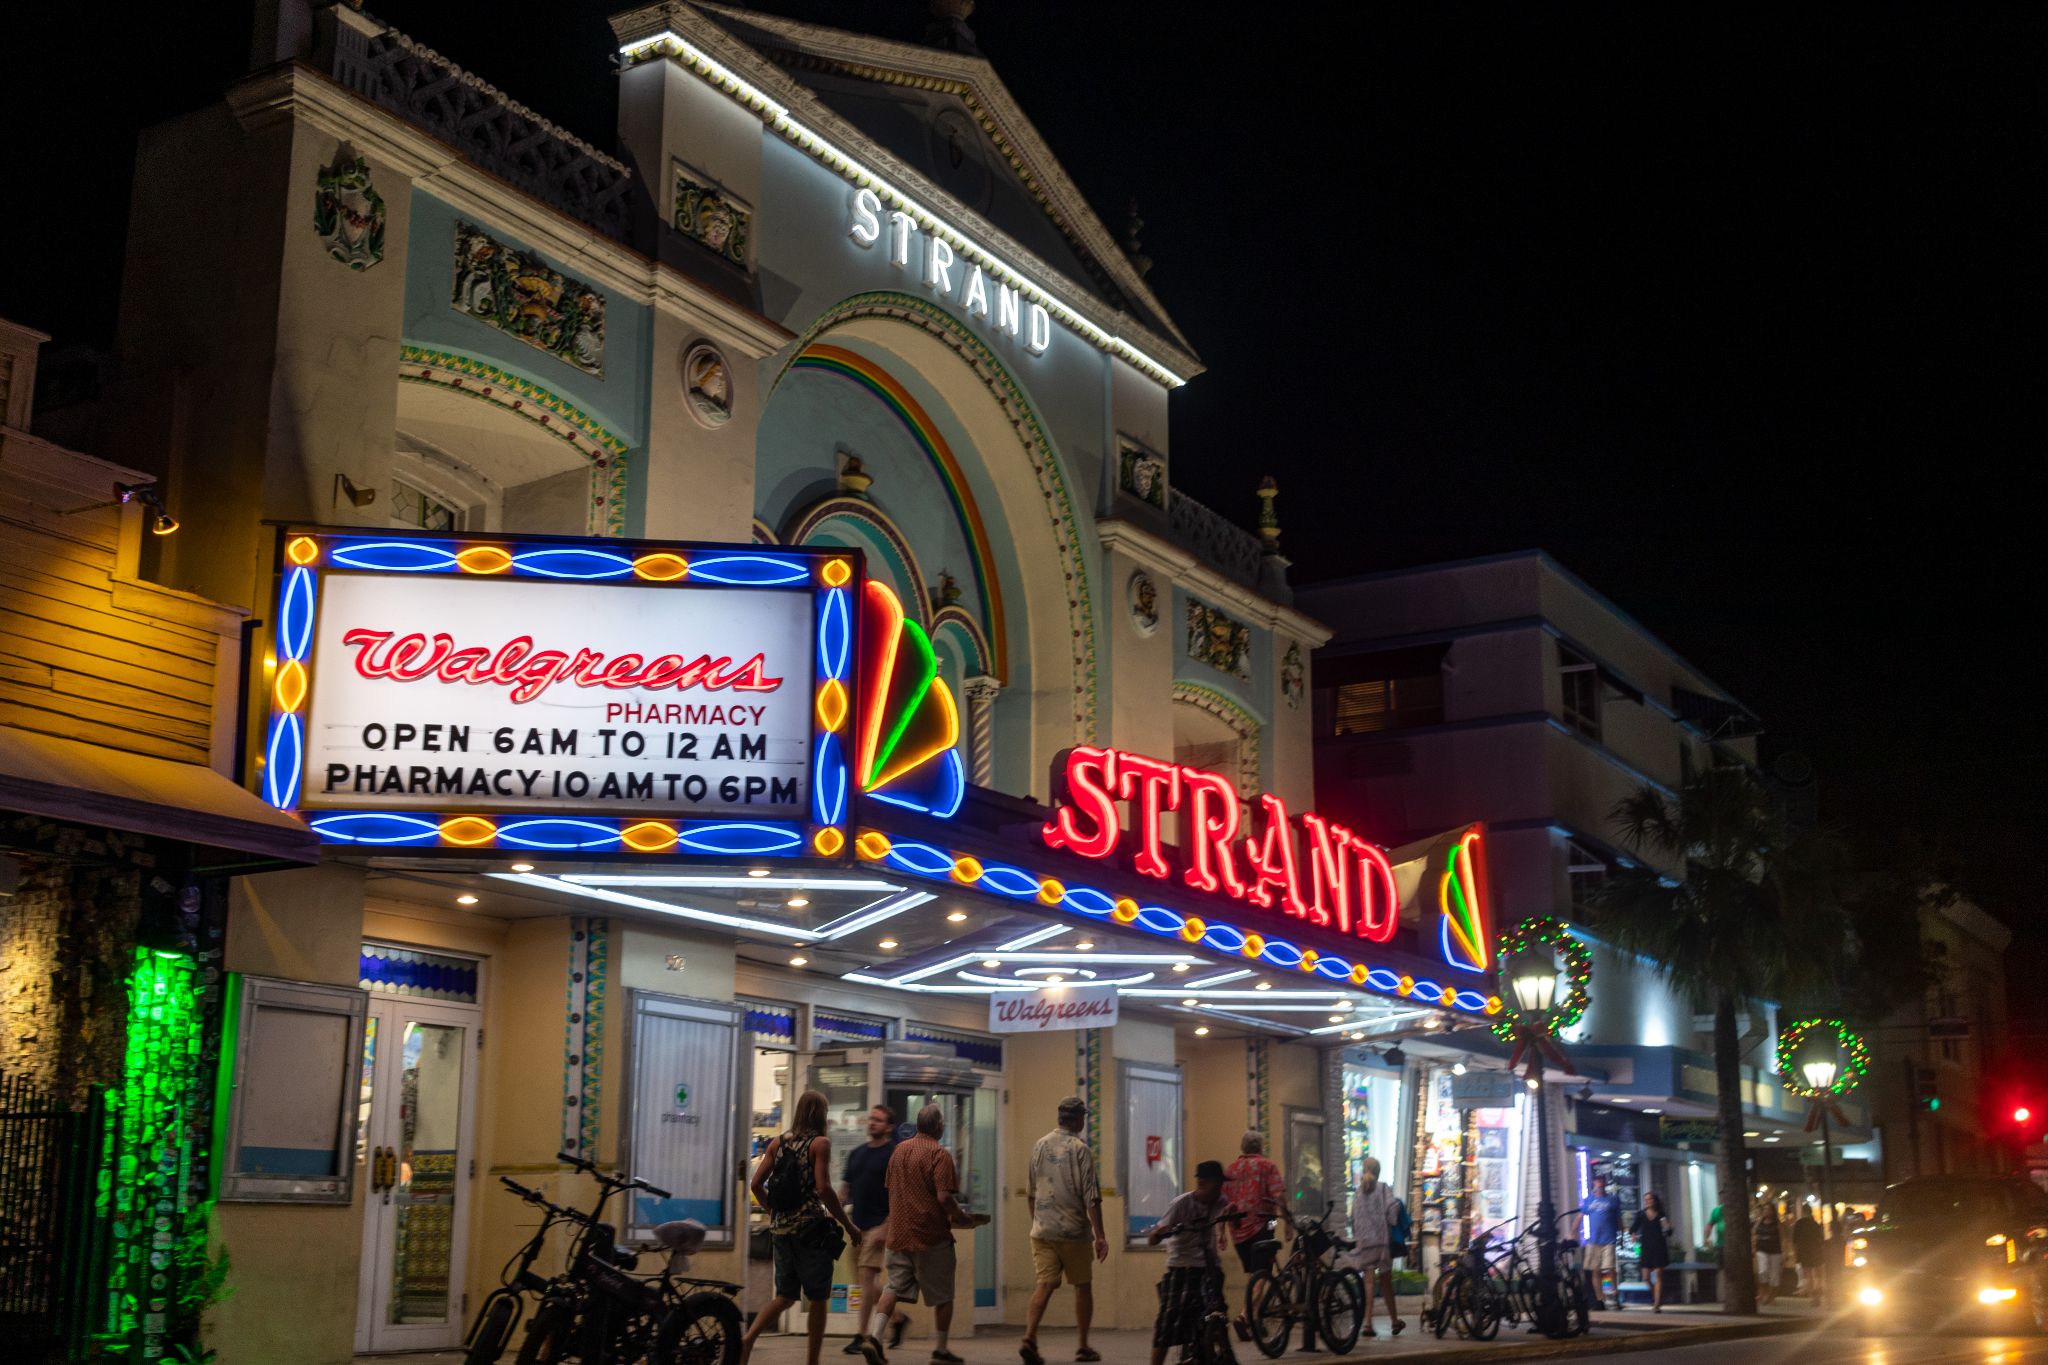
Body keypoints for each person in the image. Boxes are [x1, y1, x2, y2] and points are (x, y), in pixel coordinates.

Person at [741, 1090, 864, 1365]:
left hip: (781, 1231)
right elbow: (823, 1188)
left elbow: (755, 1185)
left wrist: (774, 1213)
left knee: (784, 1296)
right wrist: (849, 1225)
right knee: (818, 1298)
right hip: (810, 1231)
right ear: (820, 1113)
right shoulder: (819, 1144)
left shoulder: (777, 1143)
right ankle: (812, 1361)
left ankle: (747, 1339)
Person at [861, 1105, 975, 1365]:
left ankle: (876, 1339)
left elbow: (892, 1189)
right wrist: (960, 1217)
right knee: (944, 1295)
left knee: (892, 1287)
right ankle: (941, 1351)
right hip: (931, 1236)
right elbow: (945, 1198)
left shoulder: (898, 1151)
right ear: (938, 1127)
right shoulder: (939, 1155)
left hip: (899, 1234)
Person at [1021, 1096, 1109, 1365]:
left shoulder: (1040, 1145)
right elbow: (1091, 1197)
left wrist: (1038, 1221)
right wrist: (1100, 1235)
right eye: (1083, 1116)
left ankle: (1030, 1337)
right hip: (1073, 1231)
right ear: (1078, 1119)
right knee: (1082, 1287)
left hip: (1042, 1230)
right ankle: (1082, 1346)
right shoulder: (1080, 1149)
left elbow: (1031, 1192)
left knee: (1044, 1285)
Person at [1144, 1159, 1232, 1365]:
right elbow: (1154, 1237)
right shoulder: (1181, 1204)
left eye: (1221, 1185)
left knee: (1218, 1313)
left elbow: (1230, 1212)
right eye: (1216, 1184)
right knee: (1168, 1321)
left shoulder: (1220, 1201)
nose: (1220, 1189)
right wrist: (1159, 1234)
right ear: (1202, 1182)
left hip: (1209, 1266)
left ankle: (1216, 1350)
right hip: (1182, 1267)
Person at [841, 1104, 908, 1354]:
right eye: (871, 1119)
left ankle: (861, 1336)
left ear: (889, 1127)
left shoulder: (894, 1154)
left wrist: (888, 1225)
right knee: (865, 1282)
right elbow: (846, 1187)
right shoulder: (857, 1153)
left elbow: (900, 1194)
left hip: (878, 1225)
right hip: (856, 1225)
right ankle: (898, 1317)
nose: (872, 1123)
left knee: (866, 1278)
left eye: (878, 1120)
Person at [1342, 1156, 1406, 1337]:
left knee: (1368, 1282)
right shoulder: (1383, 1188)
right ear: (1379, 1172)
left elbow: (1353, 1216)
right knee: (1386, 1282)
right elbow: (1392, 1213)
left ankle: (1368, 1324)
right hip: (1382, 1242)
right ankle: (1394, 1321)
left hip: (1365, 1242)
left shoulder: (1358, 1191)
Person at [1221, 1130, 1285, 1275]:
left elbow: (1223, 1204)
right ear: (1261, 1147)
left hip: (1237, 1232)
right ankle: (1257, 1297)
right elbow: (1279, 1194)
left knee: (1253, 1273)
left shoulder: (1230, 1170)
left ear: (1243, 1147)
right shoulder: (1267, 1166)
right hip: (1265, 1225)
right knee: (1262, 1272)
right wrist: (1287, 1222)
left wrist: (1221, 1232)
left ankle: (1254, 1295)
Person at [1578, 1176, 1622, 1310]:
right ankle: (1599, 1299)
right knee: (1595, 1270)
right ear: (1594, 1184)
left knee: (1609, 1269)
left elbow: (1618, 1218)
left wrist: (1622, 1233)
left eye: (1602, 1183)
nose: (1600, 1185)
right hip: (1593, 1241)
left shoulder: (1612, 1199)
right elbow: (1581, 1215)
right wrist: (1573, 1231)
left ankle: (1612, 1297)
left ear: (1604, 1184)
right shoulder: (1589, 1200)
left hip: (1609, 1239)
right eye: (1598, 1182)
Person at [1632, 1193, 1674, 1312]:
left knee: (1658, 1275)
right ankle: (1656, 1295)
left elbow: (1668, 1230)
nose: (1648, 1201)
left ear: (1655, 1200)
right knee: (1645, 1277)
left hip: (1659, 1246)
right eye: (1646, 1199)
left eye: (1650, 1199)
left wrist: (1668, 1227)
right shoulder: (1641, 1214)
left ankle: (1656, 1304)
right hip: (1646, 1247)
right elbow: (1634, 1227)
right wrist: (1633, 1234)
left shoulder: (1661, 1214)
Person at [1753, 1201, 1784, 1307]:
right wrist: (1753, 1246)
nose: (1767, 1211)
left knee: (1774, 1276)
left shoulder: (1777, 1223)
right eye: (1765, 1209)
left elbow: (1782, 1237)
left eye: (1769, 1209)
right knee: (1763, 1271)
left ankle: (1771, 1296)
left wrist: (1785, 1252)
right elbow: (1754, 1232)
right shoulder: (1759, 1222)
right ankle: (1762, 1293)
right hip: (1762, 1250)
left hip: (1775, 1251)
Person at [1792, 1206, 1823, 1297]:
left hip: (1804, 1251)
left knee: (1808, 1275)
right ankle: (1818, 1290)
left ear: (1803, 1212)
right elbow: (1820, 1238)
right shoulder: (1815, 1223)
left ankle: (1812, 1295)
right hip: (1816, 1250)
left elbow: (1795, 1240)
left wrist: (1796, 1254)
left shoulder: (1799, 1224)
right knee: (1818, 1274)